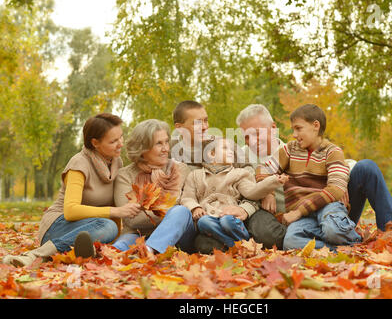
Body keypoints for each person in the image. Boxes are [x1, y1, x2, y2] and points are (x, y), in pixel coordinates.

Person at [236, 104, 392, 249]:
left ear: (273, 128)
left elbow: (339, 160)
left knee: (366, 167)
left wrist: (340, 181)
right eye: (247, 136)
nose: (252, 141)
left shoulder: (295, 148)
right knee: (293, 240)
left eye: (257, 133)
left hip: (329, 208)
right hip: (299, 220)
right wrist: (267, 190)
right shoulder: (241, 158)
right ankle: (344, 246)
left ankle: (391, 231)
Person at [2, 113, 141, 267]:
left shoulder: (116, 163)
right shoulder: (79, 164)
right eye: (113, 141)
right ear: (95, 143)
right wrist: (116, 212)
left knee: (109, 228)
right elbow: (70, 211)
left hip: (92, 229)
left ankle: (80, 253)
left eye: (121, 137)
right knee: (108, 226)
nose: (120, 143)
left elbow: (114, 204)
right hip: (58, 225)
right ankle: (35, 254)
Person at [256, 104, 362, 249]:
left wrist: (298, 212)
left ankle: (349, 240)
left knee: (332, 230)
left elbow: (336, 189)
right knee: (290, 242)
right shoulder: (289, 150)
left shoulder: (332, 151)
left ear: (315, 126)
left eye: (298, 128)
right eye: (293, 129)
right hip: (304, 217)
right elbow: (262, 168)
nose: (294, 134)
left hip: (327, 207)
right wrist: (268, 192)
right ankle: (340, 249)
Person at [171, 100, 259, 253]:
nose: (205, 127)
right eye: (197, 123)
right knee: (203, 244)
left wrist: (245, 209)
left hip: (231, 212)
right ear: (180, 128)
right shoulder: (170, 150)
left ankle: (241, 244)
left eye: (205, 120)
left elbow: (251, 176)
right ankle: (236, 246)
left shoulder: (222, 145)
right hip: (198, 217)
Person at [180, 137, 287, 248]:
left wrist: (272, 181)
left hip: (231, 218)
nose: (231, 151)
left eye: (231, 149)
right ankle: (237, 245)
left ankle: (243, 240)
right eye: (225, 148)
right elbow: (187, 197)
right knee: (203, 222)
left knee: (227, 221)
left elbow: (252, 192)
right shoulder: (195, 175)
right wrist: (195, 207)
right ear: (211, 154)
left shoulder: (239, 174)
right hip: (210, 218)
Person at [111, 119, 196, 255]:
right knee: (118, 247)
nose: (166, 149)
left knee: (181, 212)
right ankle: (96, 255)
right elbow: (131, 219)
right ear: (143, 149)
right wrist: (169, 210)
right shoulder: (125, 175)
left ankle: (148, 251)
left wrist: (158, 212)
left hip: (178, 236)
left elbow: (185, 208)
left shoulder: (181, 170)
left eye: (166, 142)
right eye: (159, 144)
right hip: (137, 234)